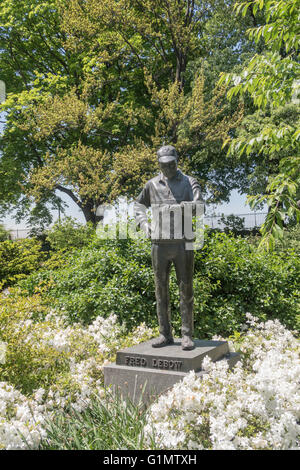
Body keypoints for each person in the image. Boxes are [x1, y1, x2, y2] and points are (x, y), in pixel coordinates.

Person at [134, 145, 204, 350]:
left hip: (183, 242)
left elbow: (200, 207)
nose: (168, 168)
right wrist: (144, 224)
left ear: (177, 161)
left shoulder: (190, 182)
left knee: (186, 289)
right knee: (160, 290)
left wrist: (180, 208)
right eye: (164, 165)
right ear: (159, 164)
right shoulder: (151, 185)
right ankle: (165, 334)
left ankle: (187, 335)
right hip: (159, 244)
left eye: (171, 164)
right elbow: (138, 205)